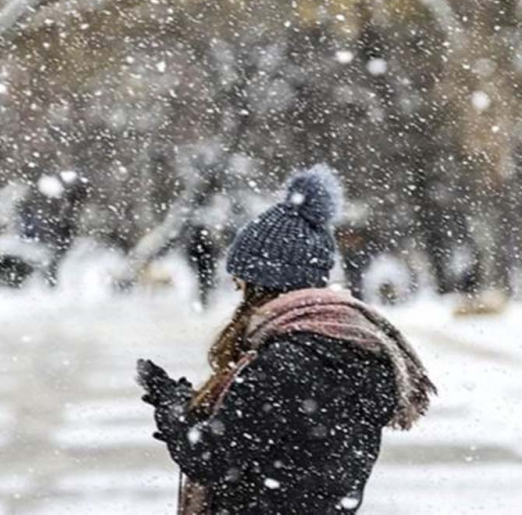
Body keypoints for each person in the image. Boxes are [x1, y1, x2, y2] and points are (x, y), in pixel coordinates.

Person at [136, 165, 435, 515]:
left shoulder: (284, 363)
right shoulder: (355, 347)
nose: (238, 289)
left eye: (242, 281)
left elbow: (211, 457)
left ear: (265, 282)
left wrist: (171, 408)